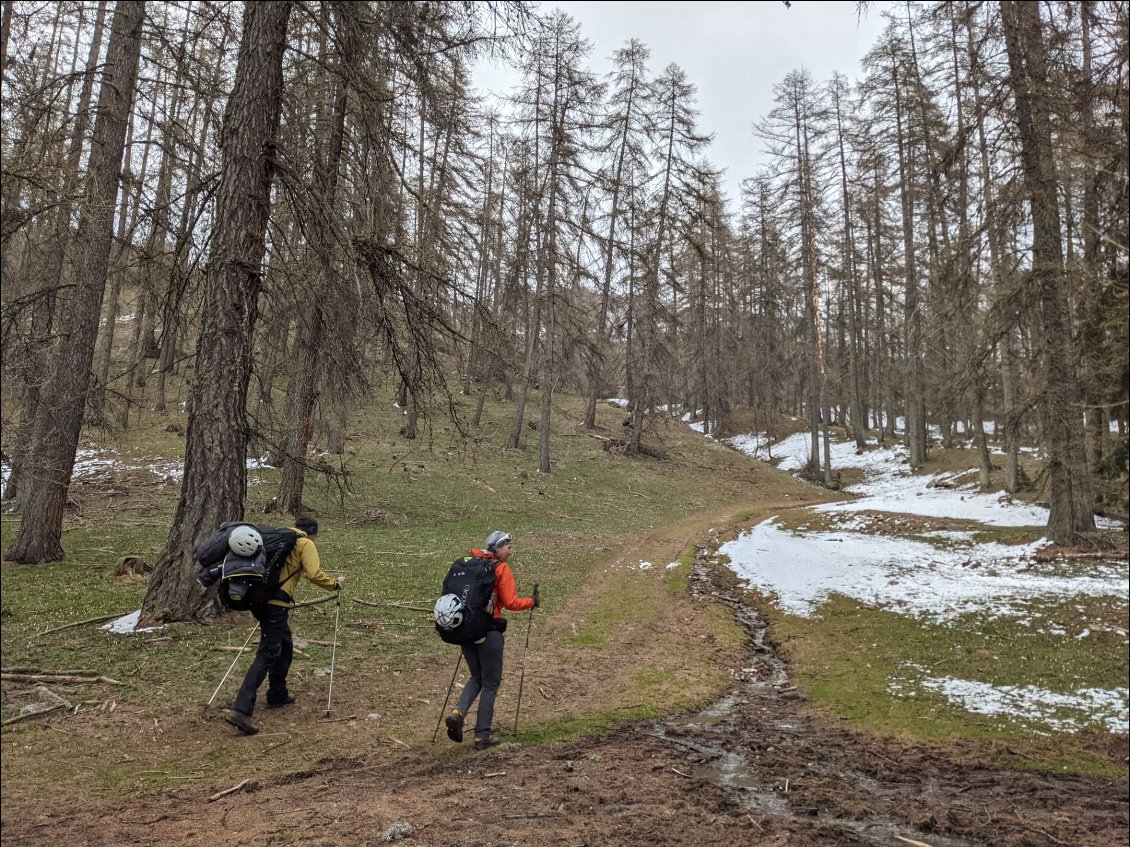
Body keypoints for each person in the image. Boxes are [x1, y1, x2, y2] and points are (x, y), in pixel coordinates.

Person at [225, 516, 344, 736]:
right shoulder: (305, 543)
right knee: (268, 652)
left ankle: (277, 694)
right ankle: (241, 709)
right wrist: (335, 584)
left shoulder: (276, 536)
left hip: (259, 601)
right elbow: (314, 574)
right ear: (312, 532)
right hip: (276, 604)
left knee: (284, 644)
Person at [445, 530, 539, 750]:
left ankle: (458, 712)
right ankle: (481, 737)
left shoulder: (472, 564)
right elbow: (510, 602)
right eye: (508, 547)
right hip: (489, 632)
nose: (510, 551)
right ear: (497, 548)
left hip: (464, 629)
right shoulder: (501, 568)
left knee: (476, 676)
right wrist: (532, 602)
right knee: (490, 683)